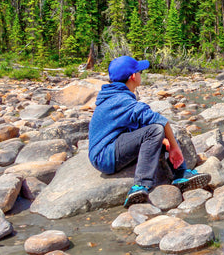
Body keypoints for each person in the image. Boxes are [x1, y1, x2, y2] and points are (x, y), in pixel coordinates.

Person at [89, 55, 210, 207]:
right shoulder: (122, 99)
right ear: (133, 76)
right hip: (105, 155)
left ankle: (180, 175)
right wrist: (174, 147)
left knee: (161, 135)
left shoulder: (115, 94)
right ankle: (140, 186)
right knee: (157, 130)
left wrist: (165, 141)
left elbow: (134, 124)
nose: (141, 74)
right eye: (140, 72)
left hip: (111, 148)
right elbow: (160, 121)